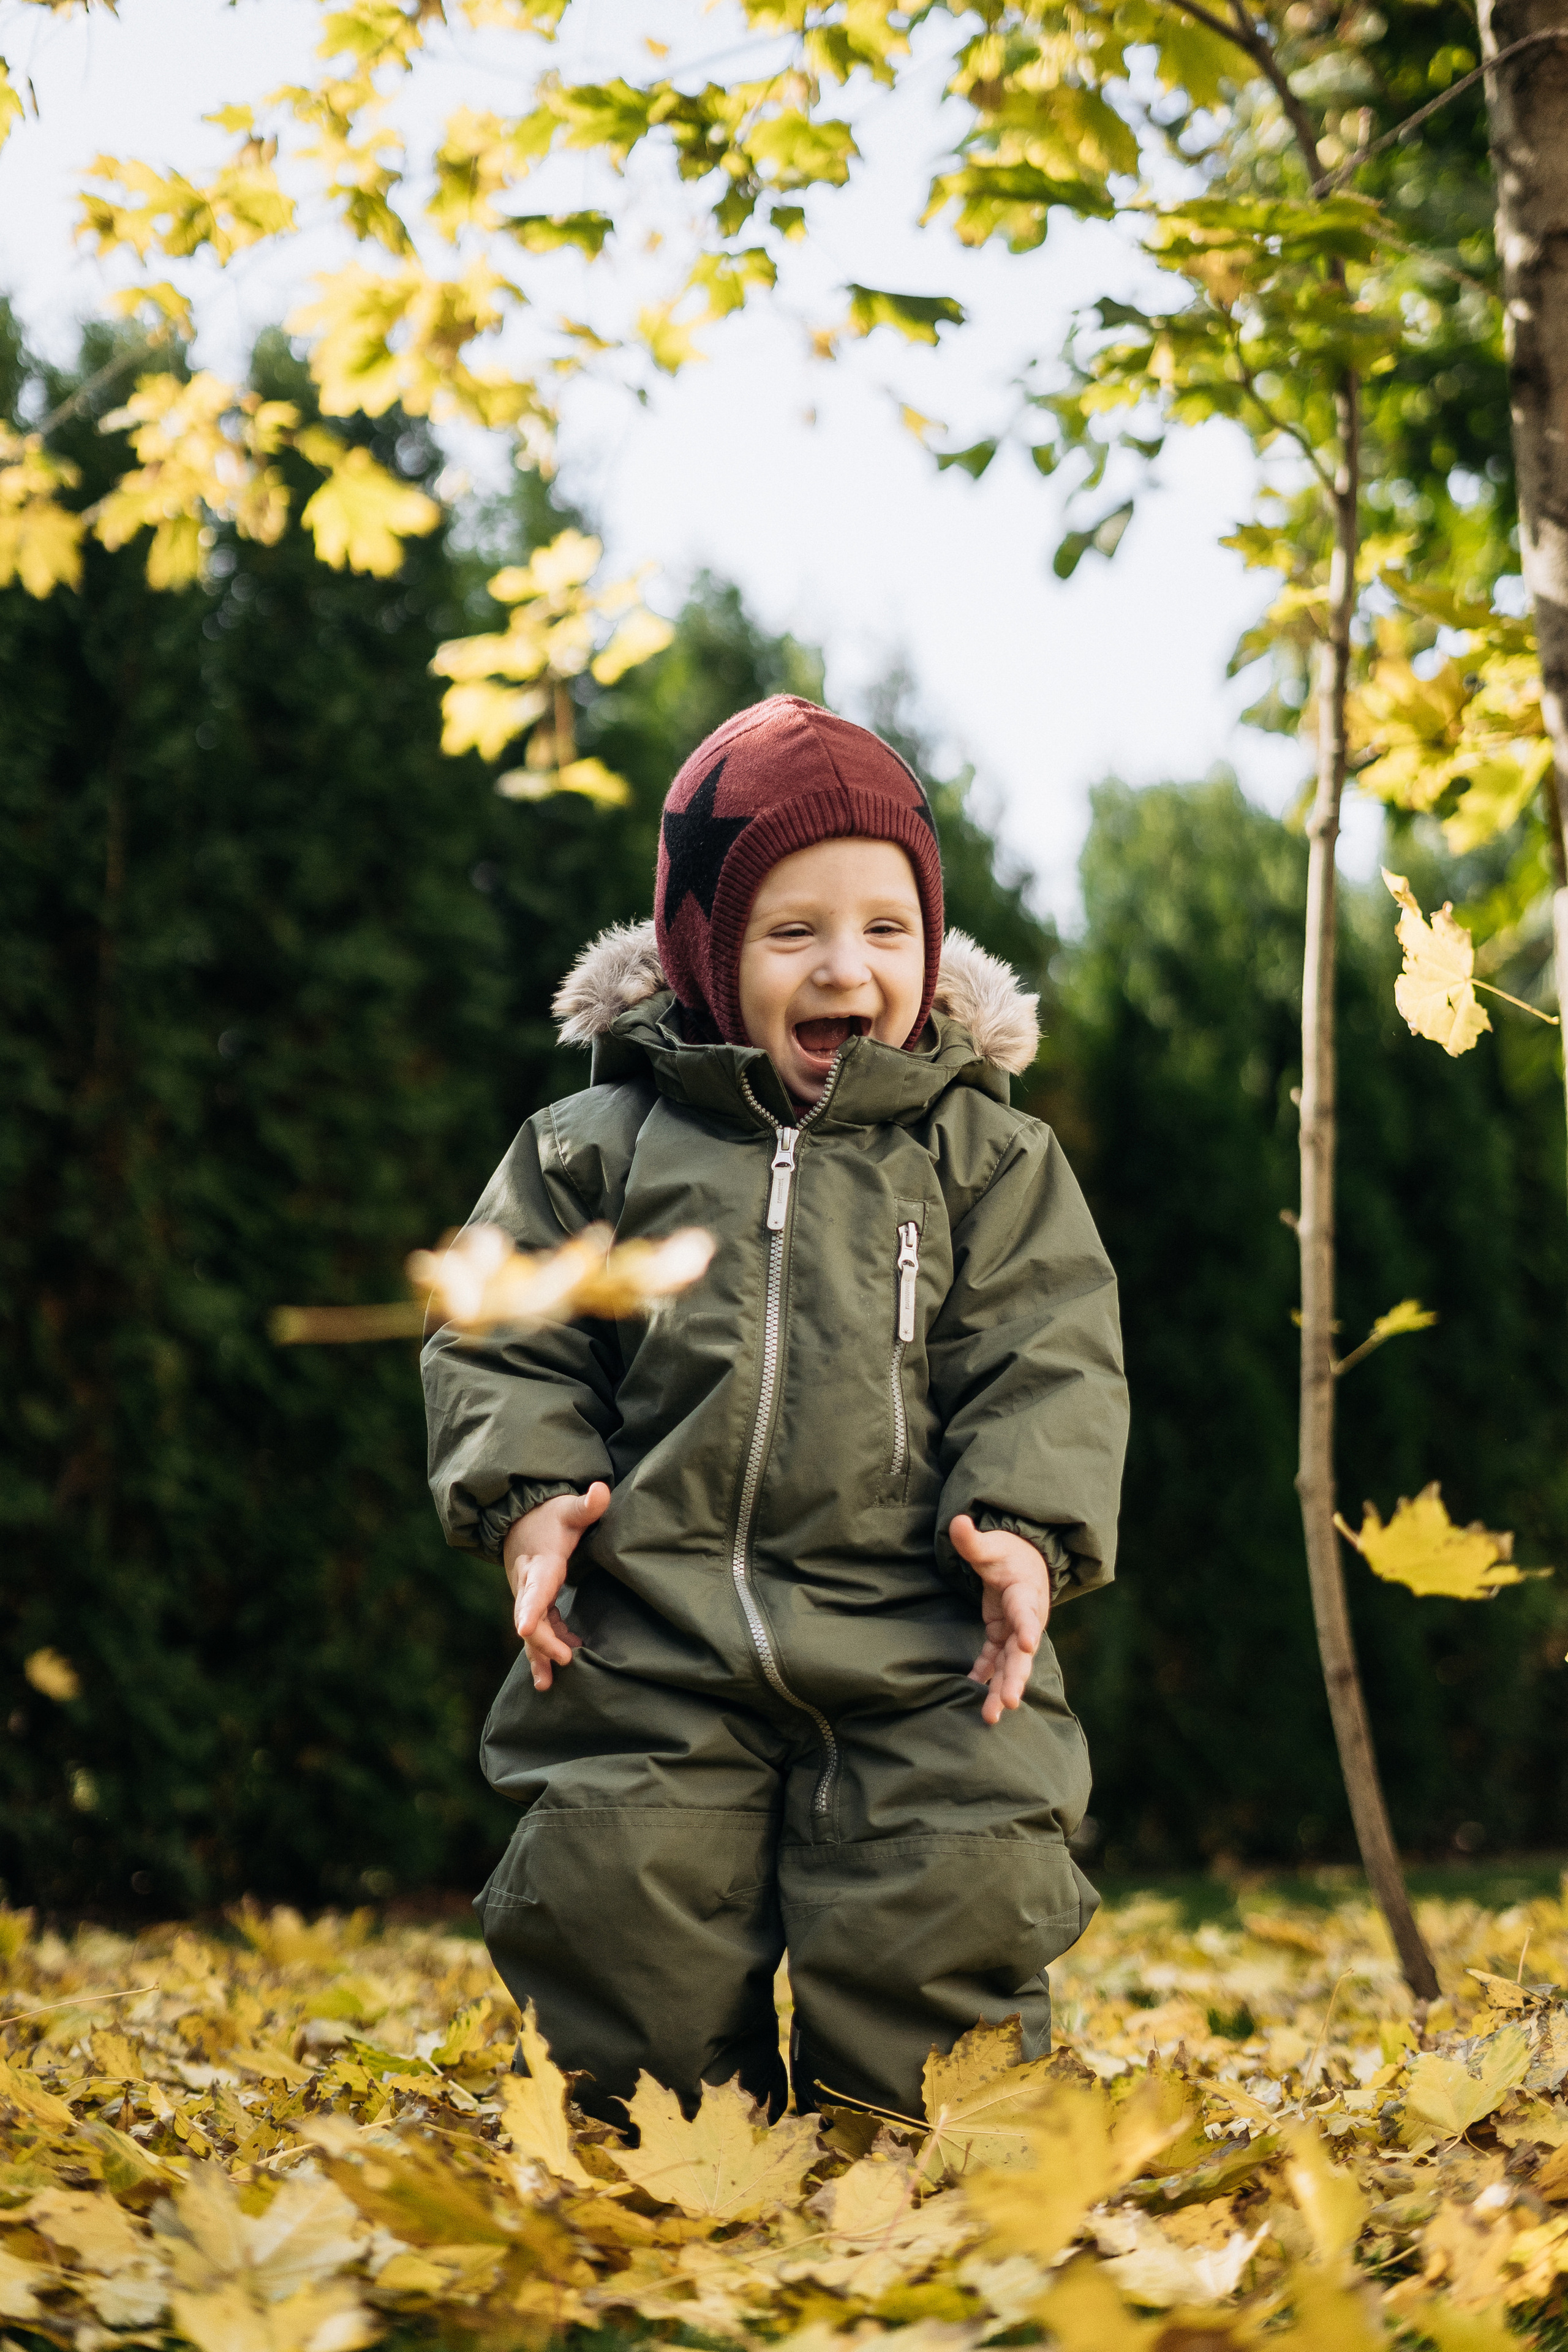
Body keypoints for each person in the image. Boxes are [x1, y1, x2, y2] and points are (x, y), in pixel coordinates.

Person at [423, 693, 1128, 2124]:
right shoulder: (597, 1151)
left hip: (925, 1646)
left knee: (951, 1926)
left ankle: (913, 2193)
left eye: (885, 929)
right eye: (791, 931)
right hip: (654, 1641)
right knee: (622, 1930)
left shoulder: (984, 1158)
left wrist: (1018, 1527)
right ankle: (665, 2186)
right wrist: (532, 1492)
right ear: (702, 950)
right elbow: (507, 1336)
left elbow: (1047, 1352)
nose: (845, 968)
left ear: (928, 950)